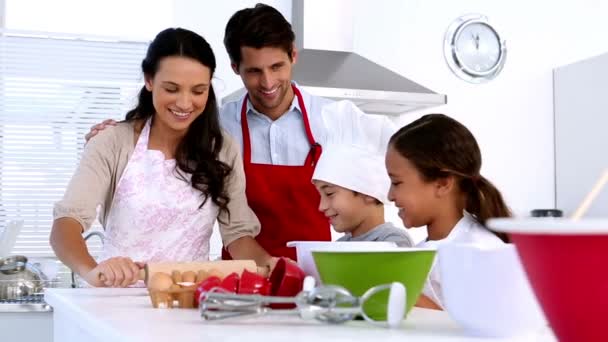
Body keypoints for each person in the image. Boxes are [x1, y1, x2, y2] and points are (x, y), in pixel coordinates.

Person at [86, 4, 385, 261]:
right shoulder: (216, 127)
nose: (268, 82)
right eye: (254, 71)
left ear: (293, 56)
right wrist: (117, 136)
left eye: (277, 66)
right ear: (234, 67)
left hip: (315, 273)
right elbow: (162, 132)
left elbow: (398, 164)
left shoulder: (334, 119)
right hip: (240, 277)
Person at [50, 28, 276, 288]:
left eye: (198, 91)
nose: (184, 103)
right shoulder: (112, 142)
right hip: (115, 301)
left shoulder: (222, 149)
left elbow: (237, 235)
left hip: (188, 303)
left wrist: (269, 263)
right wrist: (92, 271)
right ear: (149, 80)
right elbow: (66, 224)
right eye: (172, 88)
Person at [386, 113, 511, 309]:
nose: (390, 195)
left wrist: (399, 293)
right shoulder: (422, 252)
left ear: (443, 184)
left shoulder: (481, 252)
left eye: (396, 182)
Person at [311, 101, 413, 246]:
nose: (321, 206)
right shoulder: (340, 245)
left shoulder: (393, 241)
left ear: (368, 193)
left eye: (329, 193)